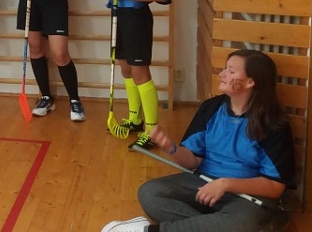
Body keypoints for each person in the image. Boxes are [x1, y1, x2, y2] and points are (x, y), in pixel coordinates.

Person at [103, 49, 295, 232]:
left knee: (245, 221)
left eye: (231, 71)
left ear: (250, 81)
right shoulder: (211, 108)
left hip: (247, 197)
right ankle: (210, 226)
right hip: (204, 182)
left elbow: (274, 186)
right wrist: (171, 147)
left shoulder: (273, 123)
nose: (222, 74)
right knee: (150, 192)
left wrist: (225, 184)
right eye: (225, 68)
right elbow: (192, 160)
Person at [102, 0, 171, 149]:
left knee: (140, 72)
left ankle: (152, 130)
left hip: (137, 18)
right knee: (126, 68)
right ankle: (135, 118)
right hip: (118, 14)